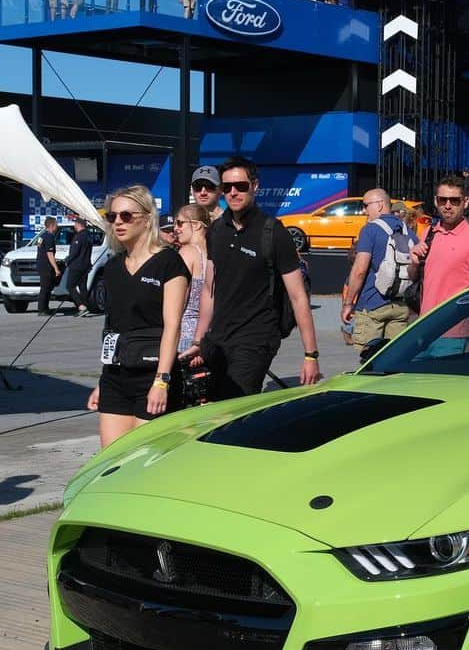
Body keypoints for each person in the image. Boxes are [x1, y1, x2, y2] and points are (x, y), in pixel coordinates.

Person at [181, 158, 321, 399]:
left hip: (256, 338)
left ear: (255, 186)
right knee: (211, 406)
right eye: (226, 187)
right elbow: (208, 290)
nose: (233, 193)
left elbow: (298, 297)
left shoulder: (273, 232)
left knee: (232, 404)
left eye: (241, 186)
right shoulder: (216, 231)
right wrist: (199, 340)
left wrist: (311, 355)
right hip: (218, 338)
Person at [88, 185, 189, 449]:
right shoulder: (112, 267)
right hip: (116, 376)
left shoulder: (169, 262)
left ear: (146, 218)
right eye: (112, 217)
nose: (118, 222)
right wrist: (103, 380)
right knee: (110, 462)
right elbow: (112, 328)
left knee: (141, 459)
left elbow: (173, 326)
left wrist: (162, 380)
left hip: (152, 372)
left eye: (126, 216)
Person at [407, 174, 469, 354]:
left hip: (454, 335)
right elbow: (415, 278)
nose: (448, 205)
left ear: (465, 202)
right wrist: (414, 262)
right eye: (443, 200)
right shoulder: (429, 233)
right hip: (422, 330)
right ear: (436, 201)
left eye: (454, 200)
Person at [341, 188, 416, 351]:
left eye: (366, 205)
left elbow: (360, 270)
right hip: (400, 306)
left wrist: (348, 304)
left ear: (380, 205)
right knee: (394, 359)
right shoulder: (408, 232)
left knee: (369, 361)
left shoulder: (370, 230)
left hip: (372, 304)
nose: (364, 210)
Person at [175, 204, 211, 356]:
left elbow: (178, 302)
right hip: (207, 334)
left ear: (196, 225)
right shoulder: (213, 253)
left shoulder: (187, 252)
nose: (176, 228)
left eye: (180, 223)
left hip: (184, 335)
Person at [66, 217, 94, 316]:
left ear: (79, 224)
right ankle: (85, 307)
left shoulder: (79, 236)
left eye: (75, 224)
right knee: (82, 287)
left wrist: (67, 260)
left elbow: (74, 252)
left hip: (77, 265)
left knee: (70, 286)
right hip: (86, 266)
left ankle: (81, 306)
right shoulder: (89, 236)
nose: (74, 226)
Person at [36, 216, 61, 315]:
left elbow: (40, 250)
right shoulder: (50, 237)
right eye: (56, 225)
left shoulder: (41, 236)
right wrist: (56, 268)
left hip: (41, 264)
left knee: (46, 287)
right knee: (45, 288)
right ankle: (42, 309)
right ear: (51, 225)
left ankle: (45, 308)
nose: (57, 227)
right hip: (46, 265)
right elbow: (49, 254)